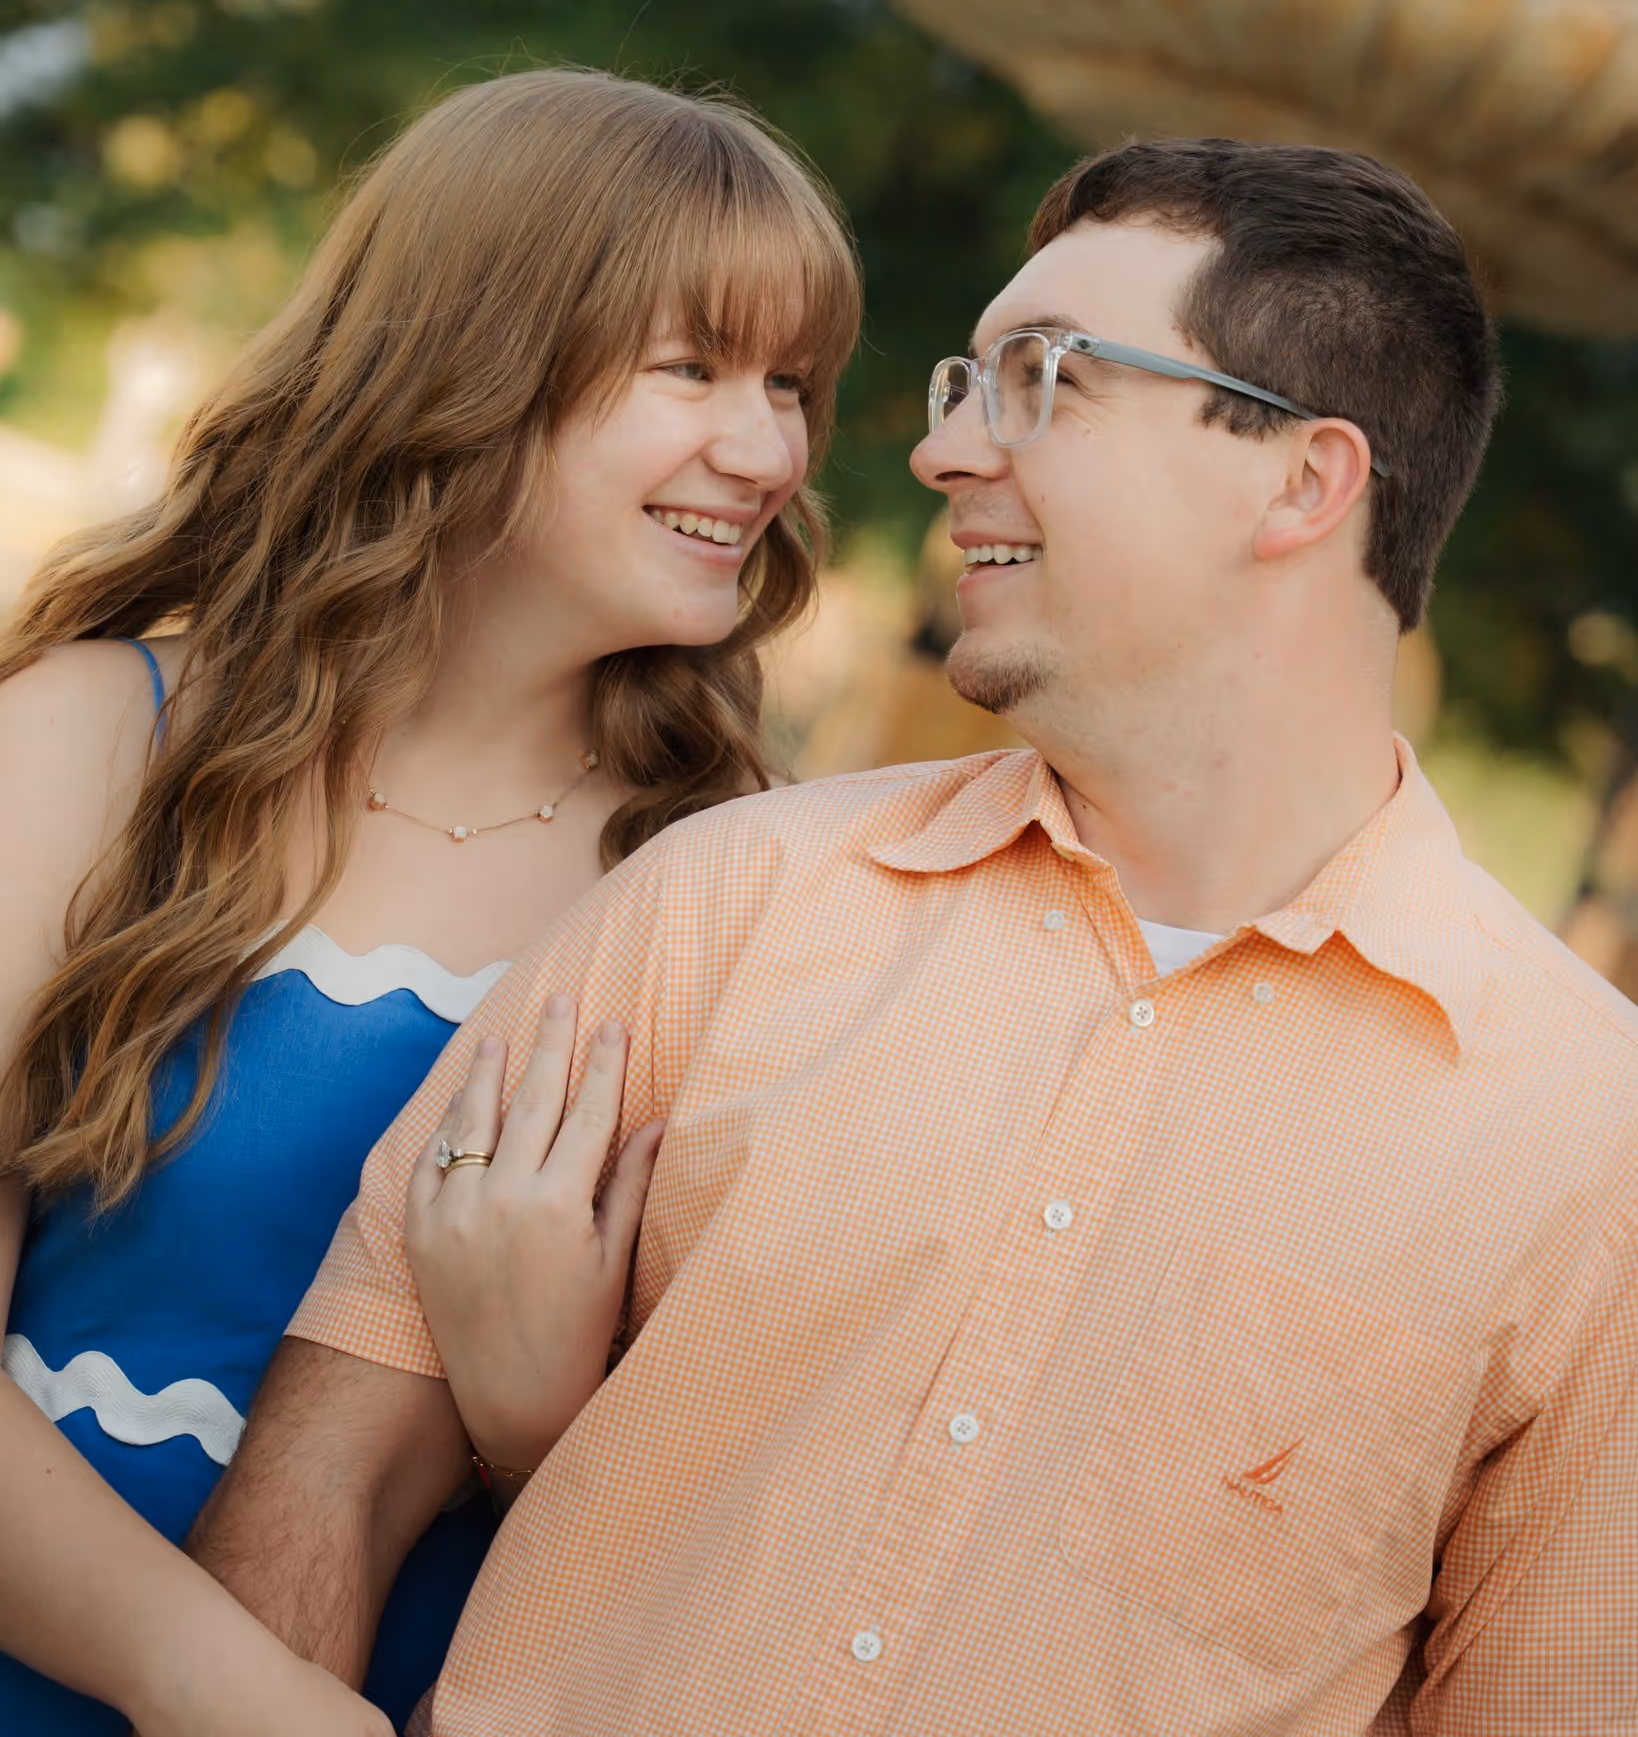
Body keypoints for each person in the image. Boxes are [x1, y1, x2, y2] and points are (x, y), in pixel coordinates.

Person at [192, 140, 1638, 1735]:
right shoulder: (721, 904)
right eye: (966, 380)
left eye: (1040, 381)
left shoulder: (1588, 1151)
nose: (943, 448)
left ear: (1300, 480)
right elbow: (327, 1468)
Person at [0, 66, 861, 1735]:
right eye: (691, 368)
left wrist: (529, 1416)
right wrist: (232, 1694)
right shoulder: (96, 741)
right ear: (472, 359)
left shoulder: (750, 873)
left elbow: (740, 1489)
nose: (764, 451)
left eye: (792, 384)